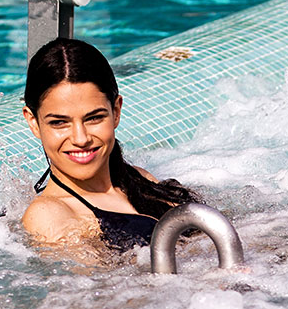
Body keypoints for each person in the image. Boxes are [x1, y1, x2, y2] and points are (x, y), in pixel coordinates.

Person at [21, 38, 198, 254]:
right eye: (59, 122)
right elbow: (94, 287)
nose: (80, 138)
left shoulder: (140, 181)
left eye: (94, 118)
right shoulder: (48, 214)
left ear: (116, 111)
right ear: (33, 122)